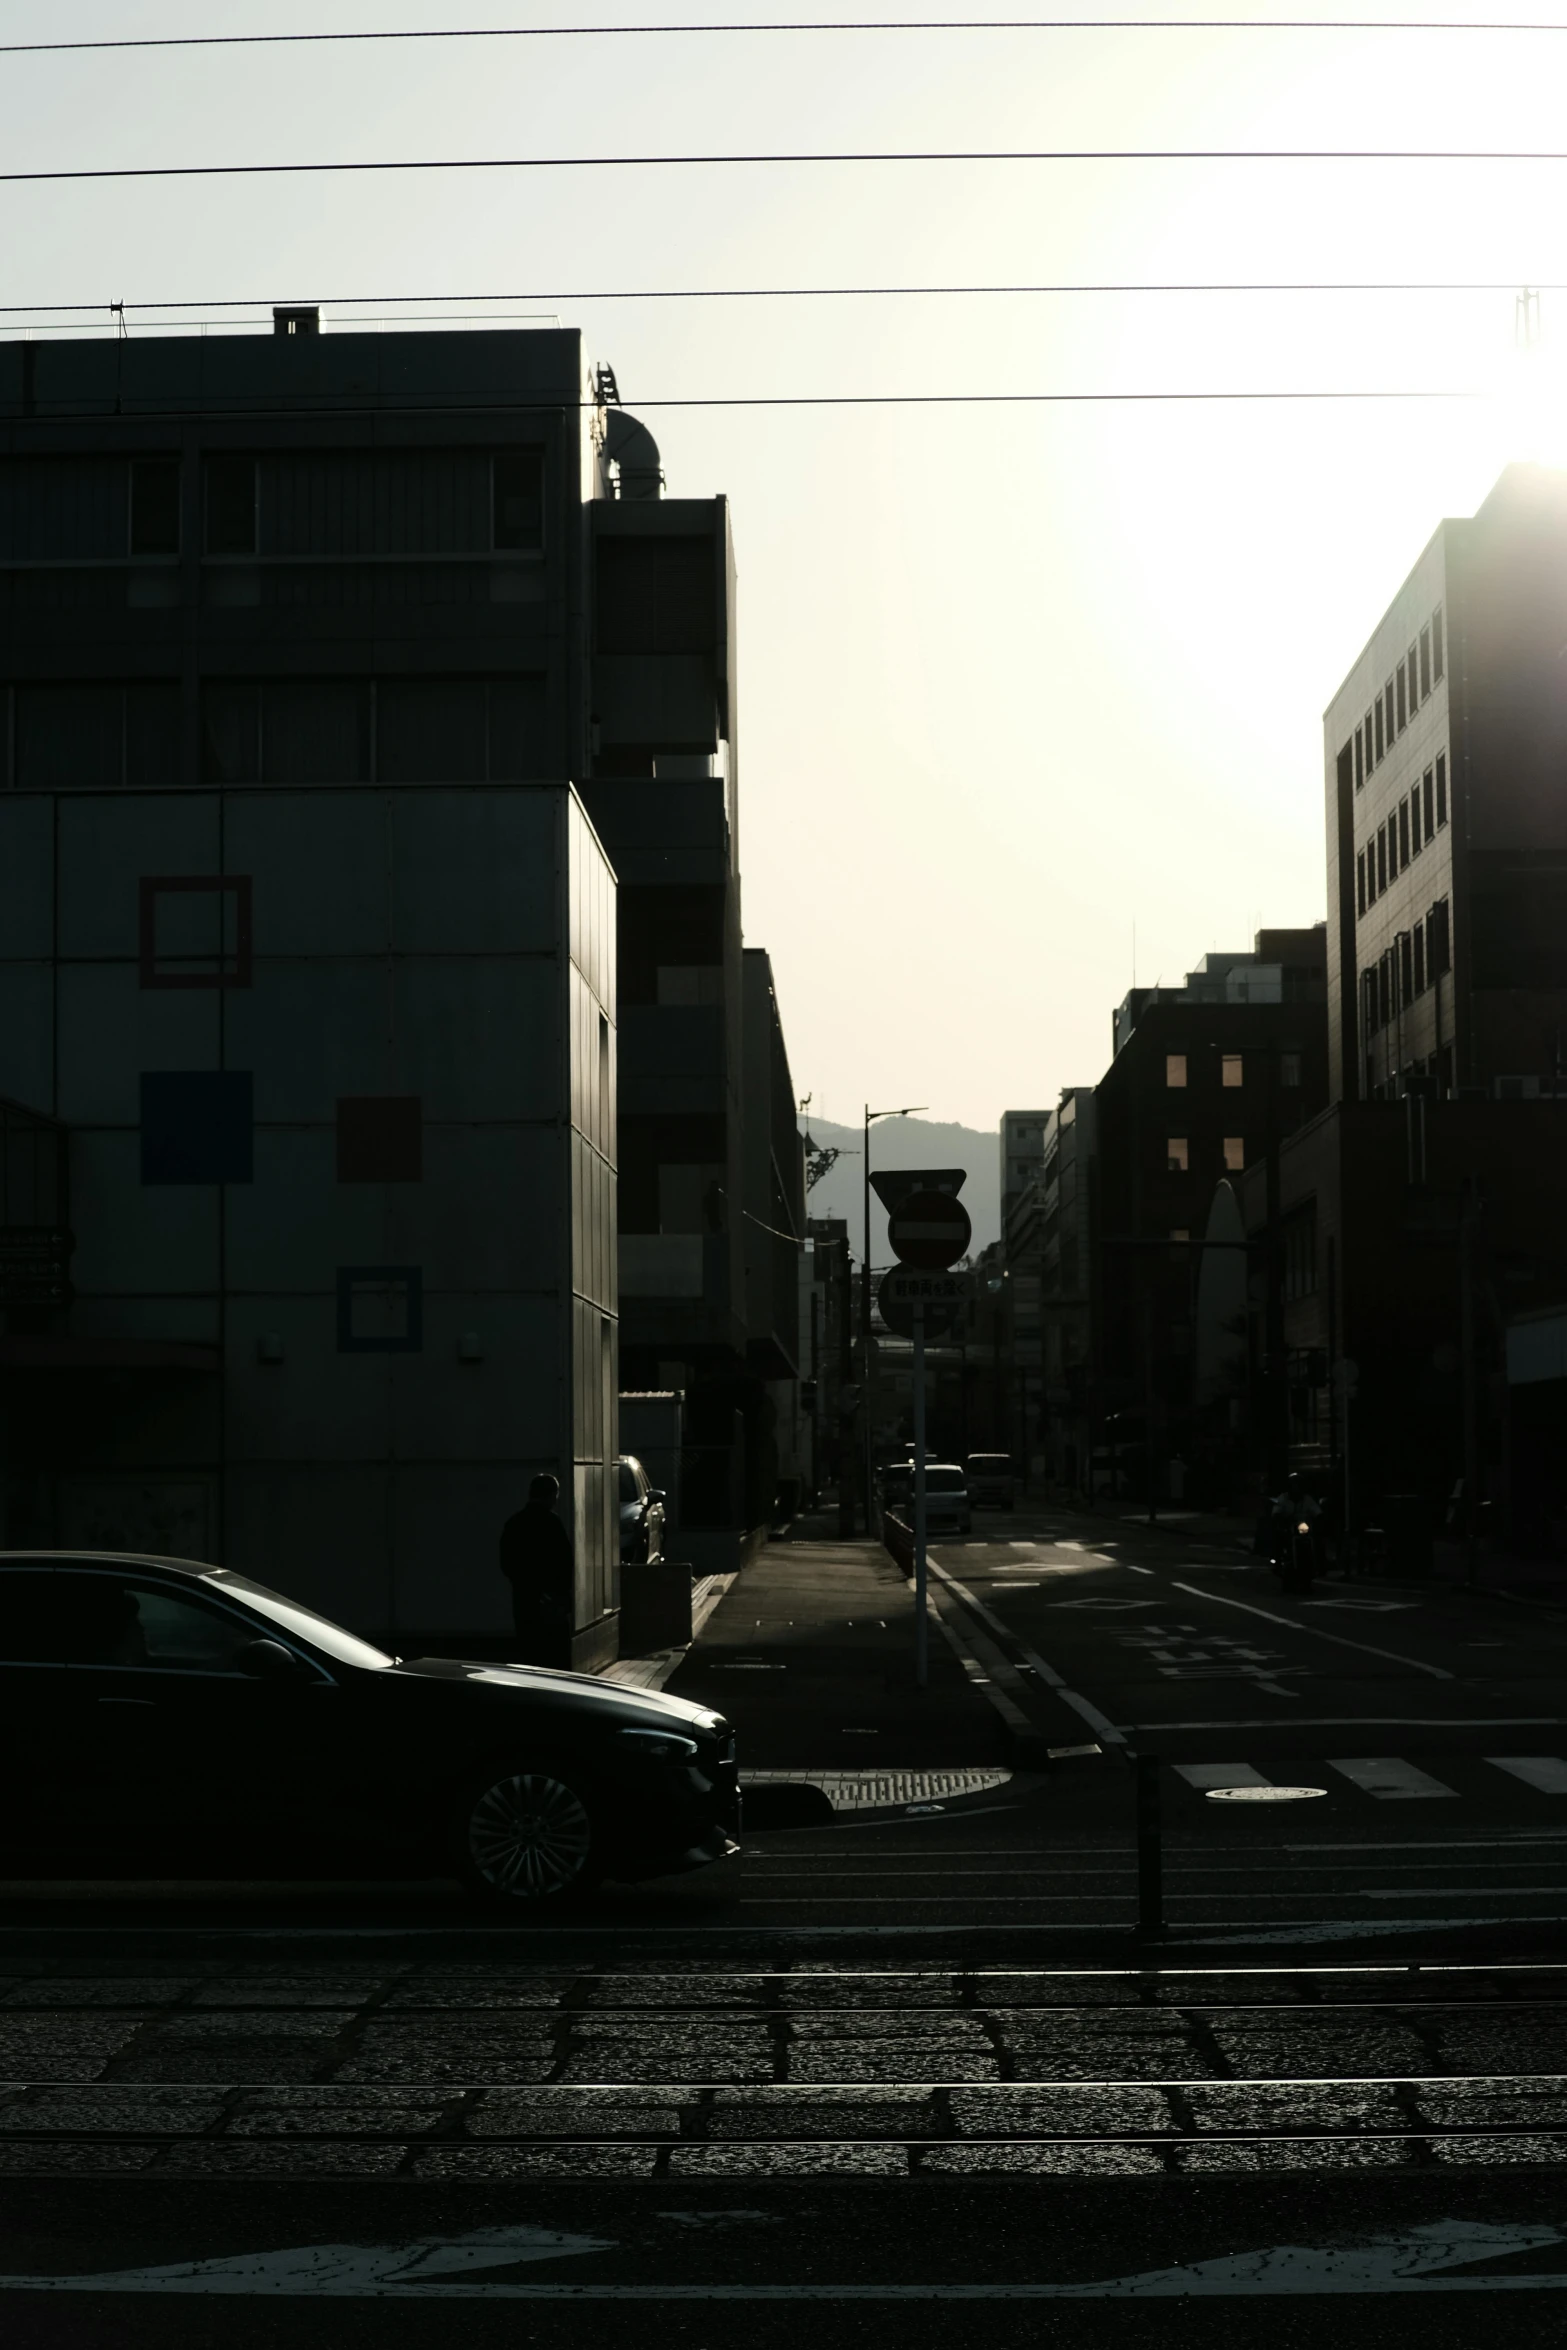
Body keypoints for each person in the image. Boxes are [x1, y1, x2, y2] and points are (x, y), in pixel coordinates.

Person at [498, 1475, 575, 1668]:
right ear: (551, 1495)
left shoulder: (514, 1523)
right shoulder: (552, 1523)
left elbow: (507, 1563)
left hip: (524, 1600)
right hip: (551, 1603)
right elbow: (564, 1562)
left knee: (530, 1653)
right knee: (555, 1657)